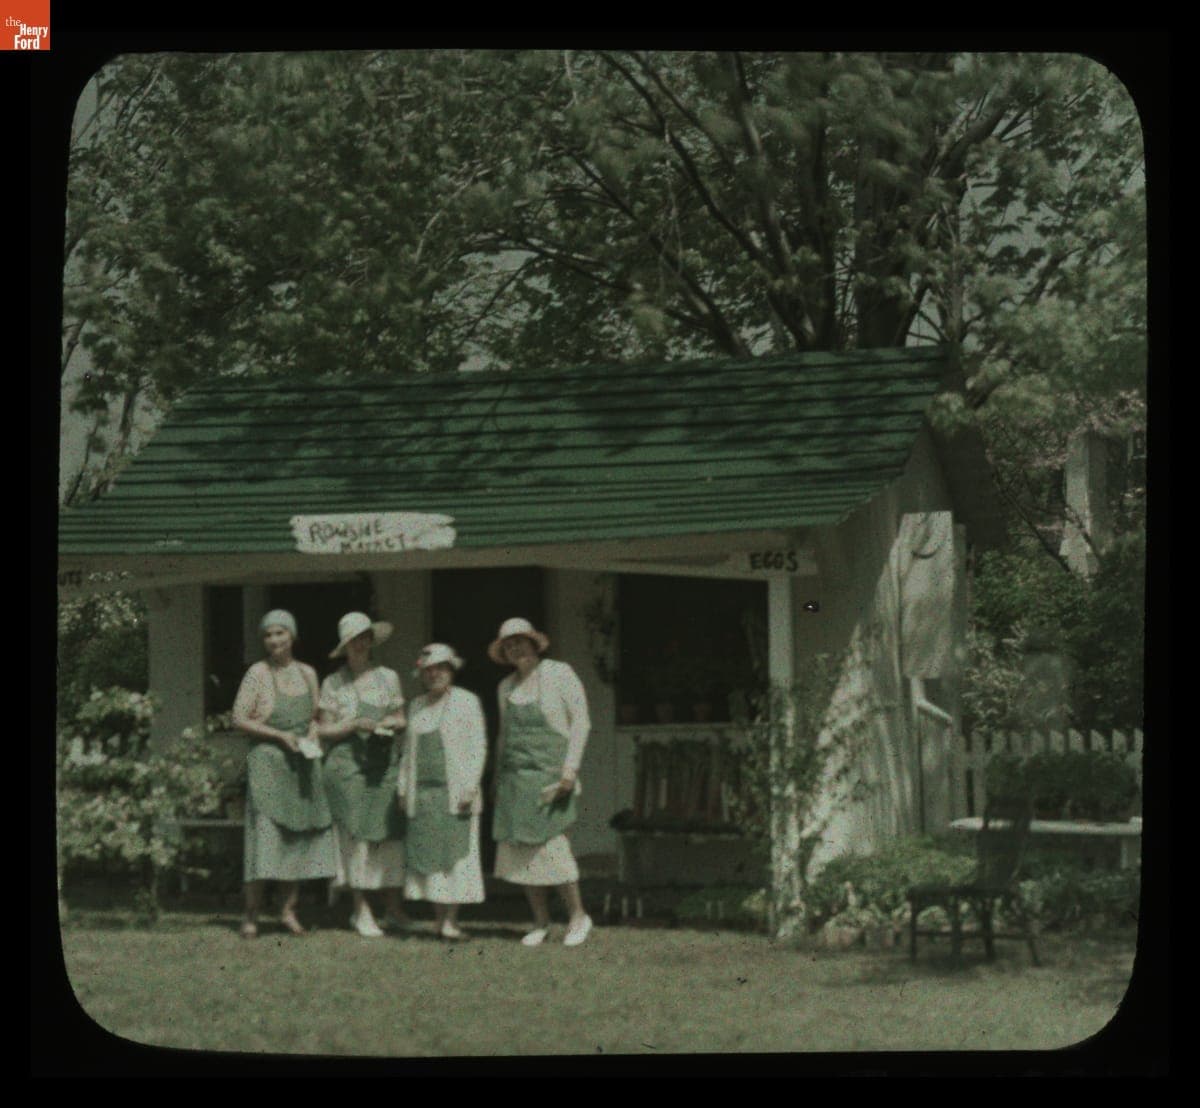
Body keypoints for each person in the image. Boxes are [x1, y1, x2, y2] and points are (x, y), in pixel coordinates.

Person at [489, 616, 594, 947]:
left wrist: (569, 771)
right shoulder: (505, 688)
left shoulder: (560, 674)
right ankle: (541, 922)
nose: (515, 648)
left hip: (553, 778)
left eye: (520, 641)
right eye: (508, 645)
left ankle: (578, 916)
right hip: (515, 781)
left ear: (534, 643)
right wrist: (495, 777)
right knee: (521, 854)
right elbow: (505, 736)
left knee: (554, 850)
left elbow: (581, 722)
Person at [231, 610, 336, 939]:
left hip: (301, 765)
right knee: (264, 842)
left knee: (295, 840)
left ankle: (288, 911)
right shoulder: (257, 673)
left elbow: (316, 717)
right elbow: (239, 719)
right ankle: (251, 915)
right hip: (268, 765)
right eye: (268, 635)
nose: (275, 640)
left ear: (292, 636)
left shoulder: (308, 673)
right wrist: (278, 736)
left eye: (280, 633)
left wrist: (314, 734)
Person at [317, 611, 409, 937]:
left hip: (382, 762)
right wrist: (352, 724)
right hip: (346, 767)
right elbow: (323, 730)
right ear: (345, 646)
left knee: (388, 834)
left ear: (371, 641)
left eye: (364, 638)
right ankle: (361, 910)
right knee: (356, 838)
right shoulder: (333, 683)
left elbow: (401, 718)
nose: (359, 644)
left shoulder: (388, 677)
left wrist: (387, 723)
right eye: (353, 640)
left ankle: (394, 908)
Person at [398, 643, 487, 940]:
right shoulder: (416, 706)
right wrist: (402, 788)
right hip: (423, 795)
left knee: (455, 858)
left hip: (455, 794)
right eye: (428, 670)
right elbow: (407, 753)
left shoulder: (467, 702)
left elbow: (479, 747)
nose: (434, 674)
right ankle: (439, 920)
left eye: (441, 668)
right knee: (430, 859)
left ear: (451, 670)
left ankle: (451, 920)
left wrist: (470, 787)